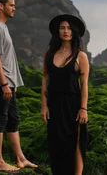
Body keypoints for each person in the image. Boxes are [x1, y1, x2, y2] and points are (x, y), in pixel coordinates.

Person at [0, 0, 37, 172]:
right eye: (11, 5)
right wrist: (5, 84)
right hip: (0, 84)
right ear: (0, 6)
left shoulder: (2, 26)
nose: (15, 8)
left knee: (13, 119)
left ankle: (20, 158)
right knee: (0, 119)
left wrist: (12, 84)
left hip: (8, 84)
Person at [40, 14, 90, 175]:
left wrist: (83, 108)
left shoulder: (80, 56)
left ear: (74, 31)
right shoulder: (50, 54)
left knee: (76, 141)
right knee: (55, 143)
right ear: (57, 31)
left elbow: (84, 85)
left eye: (69, 28)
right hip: (54, 104)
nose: (65, 31)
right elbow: (45, 81)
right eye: (62, 28)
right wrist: (44, 106)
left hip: (73, 104)